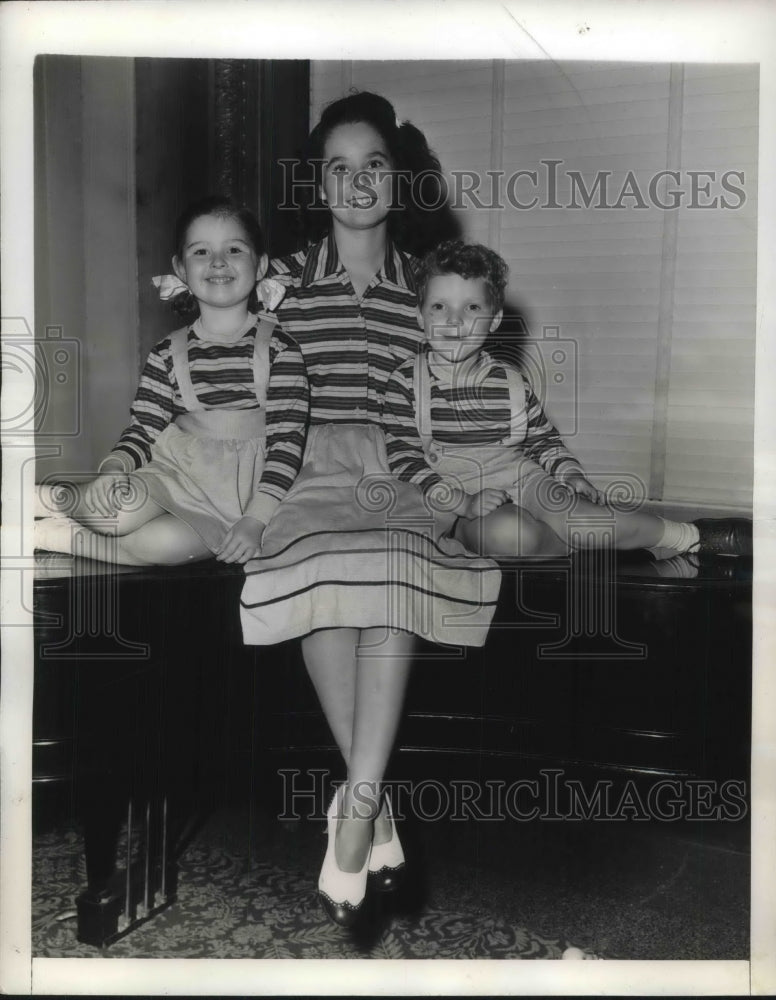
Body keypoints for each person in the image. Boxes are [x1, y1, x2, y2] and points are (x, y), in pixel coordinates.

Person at [239, 93, 501, 927]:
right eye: (339, 168)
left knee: (390, 576)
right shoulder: (278, 285)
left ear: (398, 177)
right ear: (319, 183)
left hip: (398, 470)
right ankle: (373, 806)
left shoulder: (427, 290)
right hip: (307, 468)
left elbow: (450, 396)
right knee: (320, 576)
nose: (357, 182)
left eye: (374, 164)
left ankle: (354, 804)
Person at [382, 239, 753, 561]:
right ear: (420, 315)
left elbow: (542, 441)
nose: (454, 321)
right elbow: (403, 459)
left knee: (584, 520)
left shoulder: (511, 382)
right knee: (510, 535)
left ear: (494, 320)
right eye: (439, 307)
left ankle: (690, 536)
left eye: (472, 308)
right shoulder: (406, 382)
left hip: (520, 480)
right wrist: (464, 503)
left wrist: (569, 474)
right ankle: (590, 545)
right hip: (455, 506)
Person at [35, 196, 309, 567]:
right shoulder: (168, 351)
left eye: (233, 249)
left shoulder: (280, 351)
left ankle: (53, 535)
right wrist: (114, 470)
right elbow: (143, 429)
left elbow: (286, 447)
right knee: (116, 510)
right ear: (180, 268)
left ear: (260, 265)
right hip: (172, 475)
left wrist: (255, 520)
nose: (217, 262)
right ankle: (44, 501)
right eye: (201, 251)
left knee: (160, 546)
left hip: (236, 502)